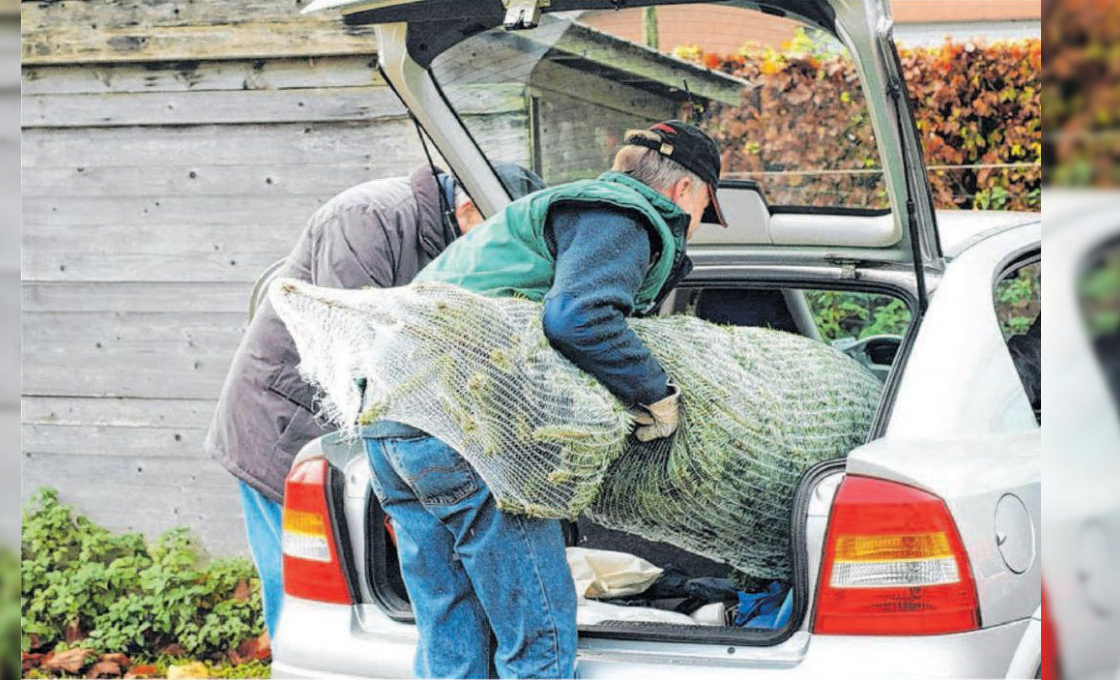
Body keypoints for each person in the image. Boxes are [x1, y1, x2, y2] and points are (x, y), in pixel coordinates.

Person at [361, 120, 728, 679]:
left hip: (392, 418)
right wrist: (655, 393)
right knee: (539, 640)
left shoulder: (561, 212)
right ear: (683, 192)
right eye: (704, 210)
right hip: (465, 428)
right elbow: (577, 316)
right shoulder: (622, 215)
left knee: (450, 633)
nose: (695, 227)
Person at [205, 162, 546, 639]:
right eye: (501, 234)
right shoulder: (365, 218)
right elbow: (350, 344)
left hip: (356, 431)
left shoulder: (448, 232)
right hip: (285, 426)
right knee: (306, 591)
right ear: (469, 207)